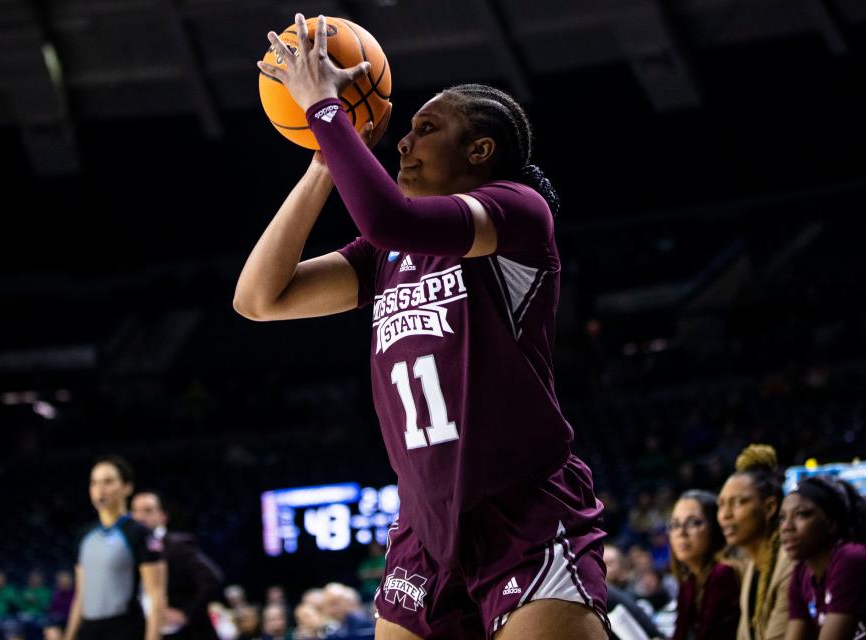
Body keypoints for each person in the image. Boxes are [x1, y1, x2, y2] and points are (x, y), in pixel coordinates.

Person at [241, 12, 608, 640]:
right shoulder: (386, 253)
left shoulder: (518, 212)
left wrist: (327, 110)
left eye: (425, 129)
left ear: (479, 151)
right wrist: (324, 160)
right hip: (422, 530)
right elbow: (259, 298)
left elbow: (385, 217)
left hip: (522, 511)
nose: (402, 143)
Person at [64, 456, 167, 640]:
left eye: (108, 482)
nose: (99, 489)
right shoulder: (84, 536)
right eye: (94, 483)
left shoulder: (139, 534)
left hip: (124, 628)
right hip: (88, 630)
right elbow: (80, 596)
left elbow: (156, 596)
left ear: (127, 487)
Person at [718, 444, 793, 640]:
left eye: (738, 502)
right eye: (721, 505)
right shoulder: (752, 565)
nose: (725, 515)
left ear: (769, 507)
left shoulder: (790, 564)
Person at [780, 476, 866, 640]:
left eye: (801, 514)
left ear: (831, 523)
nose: (786, 527)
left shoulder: (851, 559)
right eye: (782, 518)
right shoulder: (800, 573)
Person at [131, 490, 223, 640]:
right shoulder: (131, 552)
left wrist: (186, 613)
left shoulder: (177, 545)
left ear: (163, 517)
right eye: (135, 511)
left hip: (187, 634)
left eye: (148, 510)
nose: (140, 517)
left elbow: (213, 578)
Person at [668, 490, 739, 640]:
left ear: (715, 528)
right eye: (675, 525)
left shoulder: (723, 574)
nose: (681, 532)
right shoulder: (689, 582)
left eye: (693, 522)